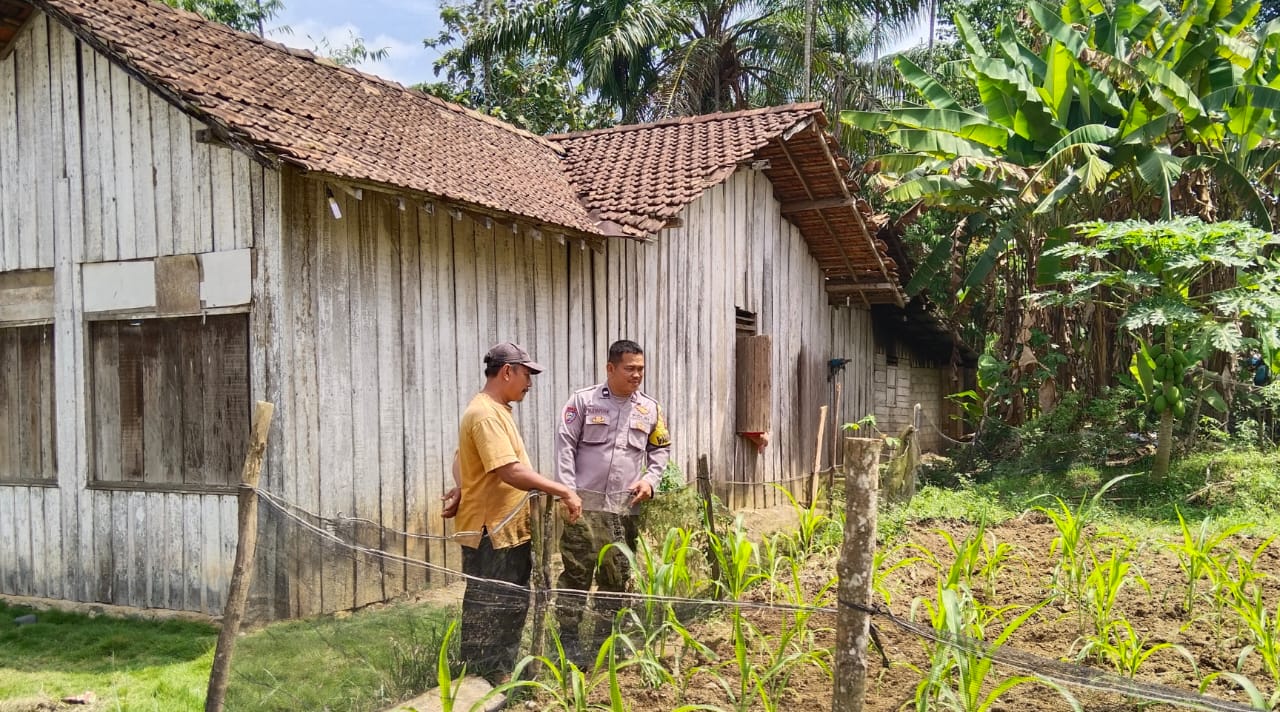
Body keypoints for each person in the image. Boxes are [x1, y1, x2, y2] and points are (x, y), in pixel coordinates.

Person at [442, 342, 583, 684]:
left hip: (503, 530)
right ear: (507, 372)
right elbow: (509, 471)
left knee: (505, 603)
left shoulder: (492, 410)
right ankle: (486, 680)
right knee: (494, 607)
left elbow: (461, 457)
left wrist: (464, 486)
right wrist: (563, 490)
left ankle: (492, 676)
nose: (529, 383)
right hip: (494, 532)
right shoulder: (485, 414)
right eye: (526, 375)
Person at [553, 339, 671, 664]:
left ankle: (603, 643)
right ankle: (568, 643)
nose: (637, 375)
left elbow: (661, 449)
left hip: (623, 512)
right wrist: (567, 491)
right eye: (630, 368)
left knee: (616, 578)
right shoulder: (584, 401)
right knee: (576, 576)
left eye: (641, 369)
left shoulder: (650, 409)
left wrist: (650, 480)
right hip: (583, 510)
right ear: (610, 368)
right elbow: (565, 446)